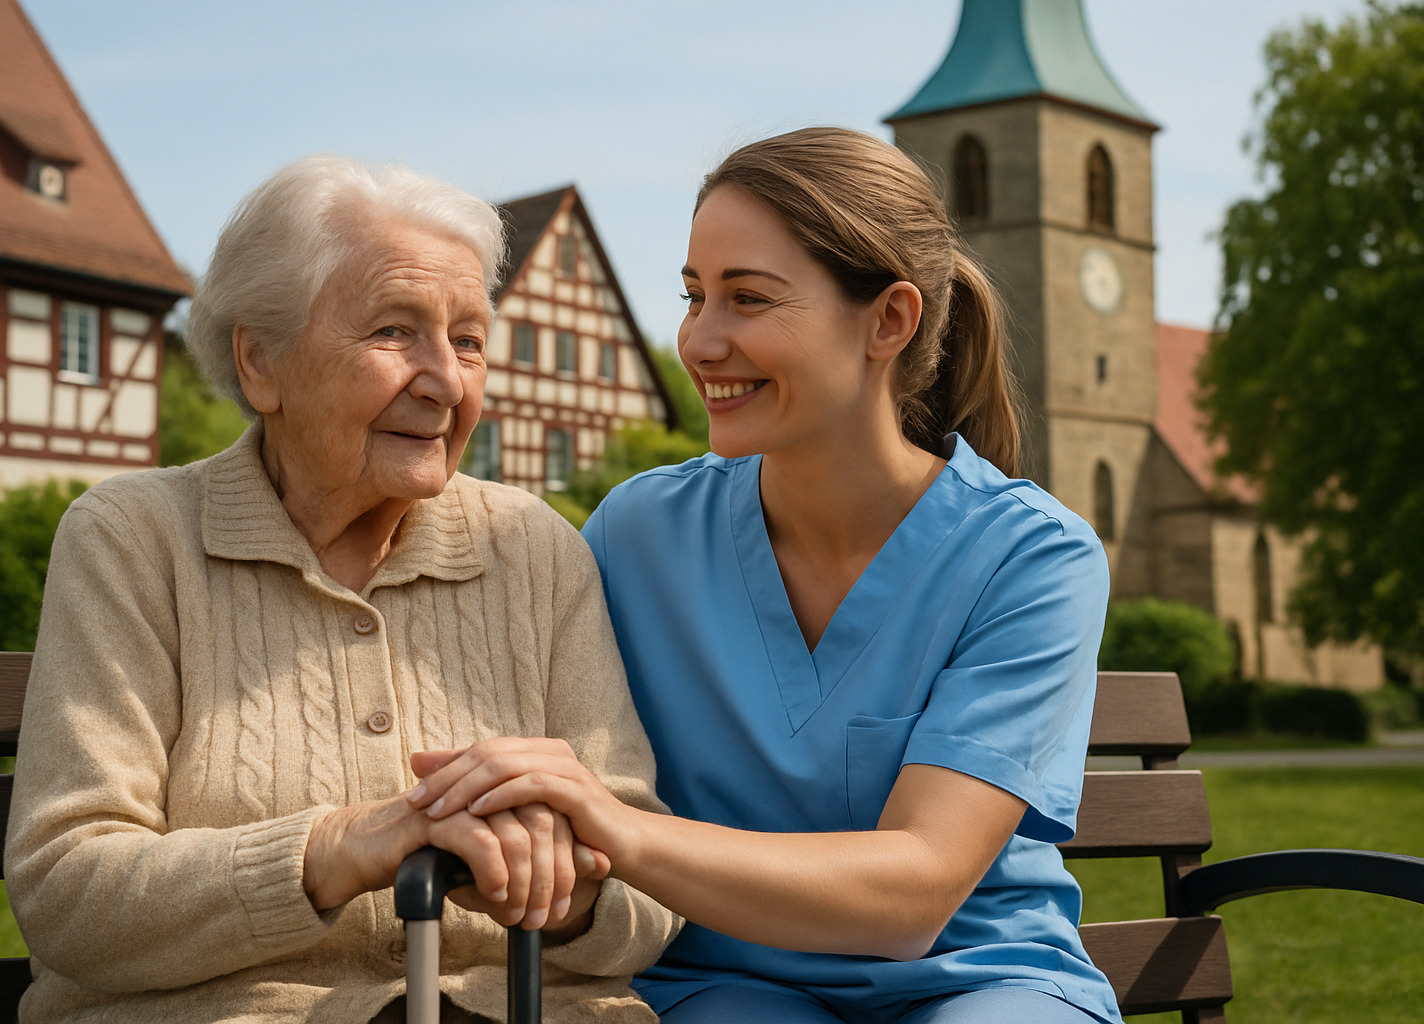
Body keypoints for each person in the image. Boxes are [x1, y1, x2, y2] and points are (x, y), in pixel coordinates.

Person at [405, 127, 1126, 1024]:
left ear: (889, 322)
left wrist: (623, 830)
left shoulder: (1031, 556)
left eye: (748, 299)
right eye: (693, 296)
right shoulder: (639, 533)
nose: (700, 342)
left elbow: (914, 895)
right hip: (731, 987)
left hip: (981, 981)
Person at [3, 155, 680, 1024]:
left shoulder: (535, 549)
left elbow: (650, 897)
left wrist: (562, 887)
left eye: (468, 340)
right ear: (261, 363)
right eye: (395, 333)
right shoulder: (134, 539)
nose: (446, 380)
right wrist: (338, 846)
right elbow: (69, 892)